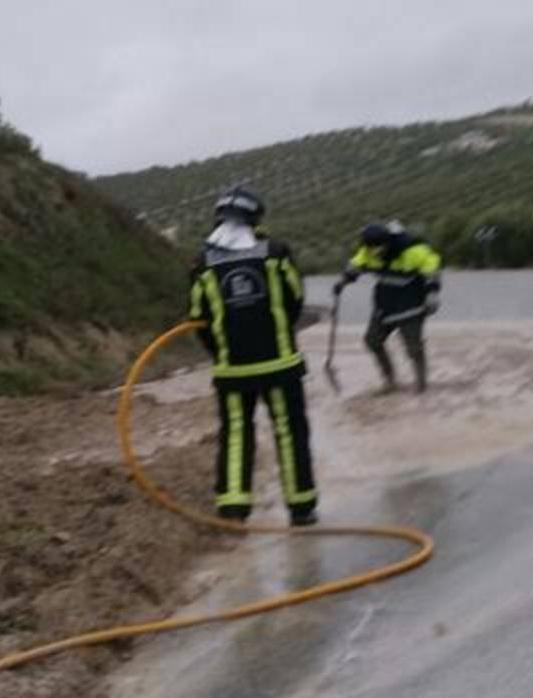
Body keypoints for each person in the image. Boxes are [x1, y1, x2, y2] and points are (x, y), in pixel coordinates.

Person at [188, 186, 318, 526]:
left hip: (232, 371)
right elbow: (295, 299)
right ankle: (301, 508)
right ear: (255, 217)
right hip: (280, 365)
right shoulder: (275, 253)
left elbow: (198, 318)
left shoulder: (202, 263)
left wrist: (220, 352)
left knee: (235, 433)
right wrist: (278, 332)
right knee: (290, 432)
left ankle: (233, 509)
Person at [332, 220, 442, 393]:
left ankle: (421, 385)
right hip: (385, 303)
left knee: (413, 347)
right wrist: (343, 280)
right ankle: (390, 381)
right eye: (370, 249)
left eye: (378, 248)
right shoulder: (368, 250)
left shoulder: (412, 250)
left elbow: (431, 266)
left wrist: (432, 293)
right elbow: (357, 264)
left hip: (410, 302)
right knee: (372, 340)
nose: (374, 253)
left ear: (387, 242)